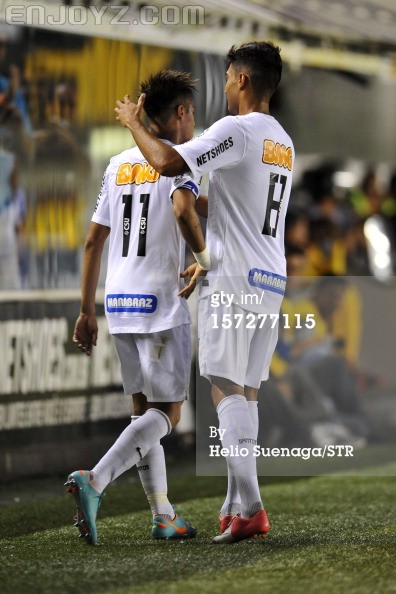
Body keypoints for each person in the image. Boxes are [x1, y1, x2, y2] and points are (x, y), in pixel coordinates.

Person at [115, 41, 294, 543]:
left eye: (229, 75)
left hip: (234, 279)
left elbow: (169, 163)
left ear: (239, 80)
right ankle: (238, 506)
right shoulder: (282, 139)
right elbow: (241, 207)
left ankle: (253, 506)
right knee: (247, 391)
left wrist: (133, 122)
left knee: (220, 384)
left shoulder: (234, 130)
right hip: (270, 278)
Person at [66, 71, 208, 545]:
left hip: (120, 300)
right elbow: (183, 211)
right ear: (181, 113)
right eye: (192, 111)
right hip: (161, 301)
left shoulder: (117, 164)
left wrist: (87, 310)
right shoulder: (178, 161)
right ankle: (97, 479)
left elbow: (93, 241)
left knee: (142, 413)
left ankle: (163, 513)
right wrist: (203, 258)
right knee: (168, 415)